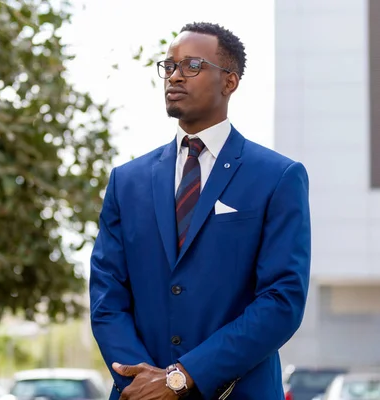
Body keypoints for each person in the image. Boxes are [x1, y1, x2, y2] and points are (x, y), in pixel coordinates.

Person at [89, 21, 311, 400]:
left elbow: (281, 300)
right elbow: (107, 296)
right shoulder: (126, 181)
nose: (174, 76)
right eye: (169, 66)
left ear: (230, 81)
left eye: (192, 66)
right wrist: (139, 383)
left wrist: (182, 376)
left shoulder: (278, 177)